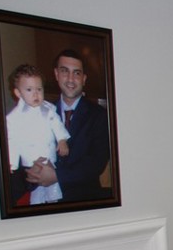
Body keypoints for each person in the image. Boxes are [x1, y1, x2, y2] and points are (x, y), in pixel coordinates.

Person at [24, 50, 111, 202]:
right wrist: (35, 174)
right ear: (56, 74)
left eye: (76, 73)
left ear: (84, 79)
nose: (71, 79)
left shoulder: (99, 115)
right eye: (65, 71)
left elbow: (97, 162)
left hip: (85, 201)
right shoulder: (40, 112)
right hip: (45, 201)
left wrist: (57, 176)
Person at [6, 64, 69, 205]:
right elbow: (12, 140)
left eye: (39, 89)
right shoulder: (14, 118)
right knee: (35, 196)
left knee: (53, 193)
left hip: (49, 160)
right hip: (30, 162)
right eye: (29, 90)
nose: (36, 94)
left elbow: (57, 125)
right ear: (18, 93)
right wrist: (11, 163)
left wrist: (62, 140)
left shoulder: (48, 110)